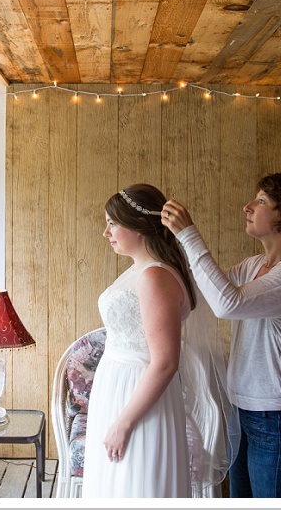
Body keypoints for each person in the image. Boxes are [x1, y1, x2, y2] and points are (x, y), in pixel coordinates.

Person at [161, 172, 281, 498]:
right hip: (243, 411)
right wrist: (166, 240)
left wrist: (189, 234)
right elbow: (205, 290)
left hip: (277, 420)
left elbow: (226, 303)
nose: (247, 206)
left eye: (262, 201)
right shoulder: (254, 265)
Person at [81, 183, 229, 498]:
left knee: (135, 484)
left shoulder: (155, 277)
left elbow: (164, 362)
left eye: (112, 223)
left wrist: (124, 422)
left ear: (138, 226)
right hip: (119, 389)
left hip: (137, 397)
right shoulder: (143, 270)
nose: (105, 233)